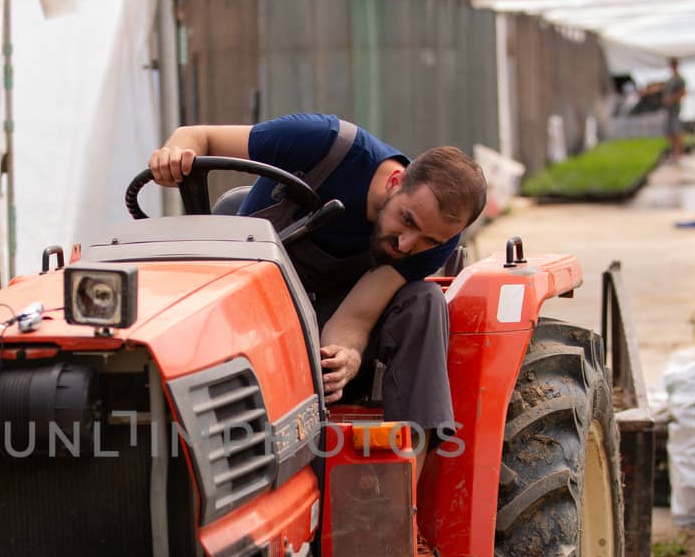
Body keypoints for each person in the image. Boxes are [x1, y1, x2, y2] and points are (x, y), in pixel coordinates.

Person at [147, 113, 486, 456]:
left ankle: (400, 484)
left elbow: (356, 317)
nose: (406, 245)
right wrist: (175, 153)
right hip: (246, 307)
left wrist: (346, 354)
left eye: (427, 240)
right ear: (395, 181)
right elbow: (198, 136)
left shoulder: (437, 238)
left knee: (425, 300)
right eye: (406, 220)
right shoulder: (325, 144)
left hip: (320, 318)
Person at [662, 58, 687, 162]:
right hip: (669, 109)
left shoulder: (679, 79)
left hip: (675, 109)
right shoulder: (670, 79)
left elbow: (683, 93)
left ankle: (679, 153)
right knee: (670, 132)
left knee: (676, 131)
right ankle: (674, 152)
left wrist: (672, 99)